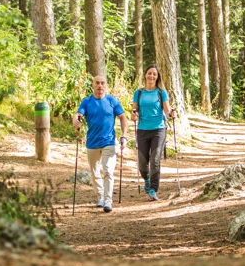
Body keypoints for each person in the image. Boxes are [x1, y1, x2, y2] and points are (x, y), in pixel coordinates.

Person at [73, 75, 128, 213]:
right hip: (92, 142)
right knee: (95, 172)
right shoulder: (87, 102)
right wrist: (76, 119)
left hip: (109, 141)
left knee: (108, 170)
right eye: (97, 83)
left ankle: (108, 201)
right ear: (93, 85)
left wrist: (124, 135)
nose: (100, 86)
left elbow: (122, 117)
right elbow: (79, 114)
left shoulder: (112, 101)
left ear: (106, 85)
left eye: (103, 83)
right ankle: (100, 196)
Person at [130, 64, 175, 201]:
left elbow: (167, 110)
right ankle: (147, 179)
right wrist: (134, 114)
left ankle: (153, 190)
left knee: (155, 160)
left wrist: (172, 113)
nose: (151, 76)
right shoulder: (139, 93)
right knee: (142, 163)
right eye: (149, 73)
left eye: (154, 74)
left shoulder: (161, 92)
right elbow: (135, 109)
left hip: (158, 129)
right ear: (145, 75)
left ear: (157, 77)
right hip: (143, 129)